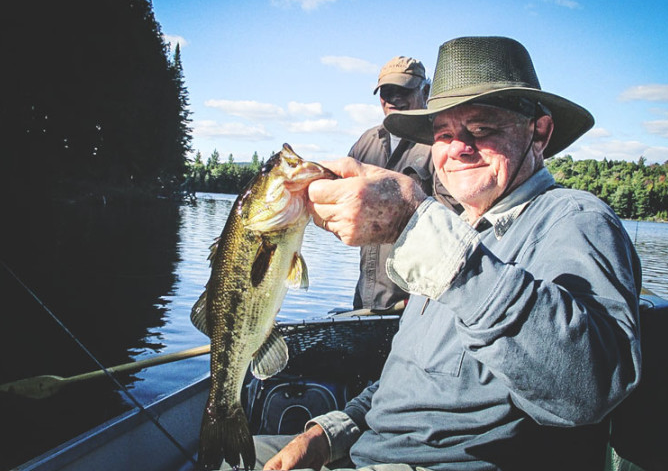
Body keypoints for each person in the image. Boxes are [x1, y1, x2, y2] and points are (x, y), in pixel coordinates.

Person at [259, 36, 643, 471]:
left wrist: (416, 226)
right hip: (360, 453)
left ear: (540, 133)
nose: (458, 148)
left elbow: (587, 389)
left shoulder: (575, 220)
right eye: (444, 134)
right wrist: (327, 435)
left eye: (482, 130)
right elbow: (404, 382)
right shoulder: (451, 232)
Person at [348, 56, 458, 312]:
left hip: (419, 304)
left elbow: (454, 219)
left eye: (404, 90)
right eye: (387, 91)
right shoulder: (366, 141)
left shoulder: (439, 143)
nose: (394, 98)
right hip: (366, 297)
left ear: (426, 91)